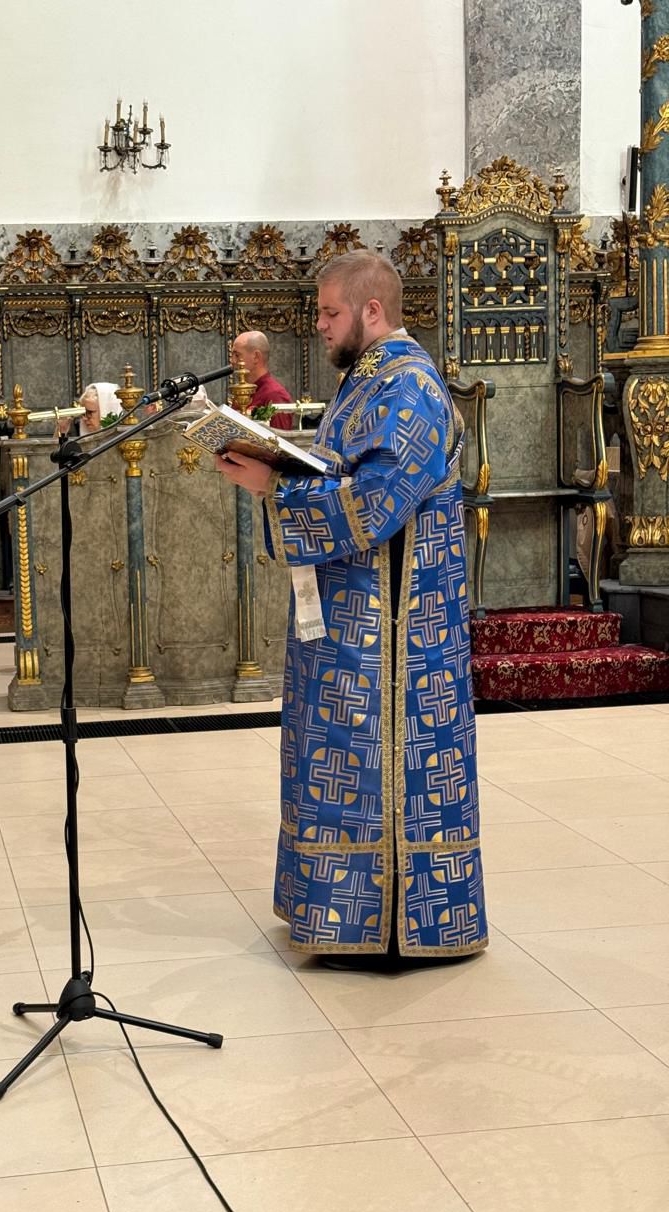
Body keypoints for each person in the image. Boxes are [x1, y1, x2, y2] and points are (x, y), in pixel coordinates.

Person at [215, 250, 488, 967]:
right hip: (352, 618)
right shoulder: (366, 380)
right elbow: (344, 473)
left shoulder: (411, 387)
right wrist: (282, 463)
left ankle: (389, 927)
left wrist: (274, 488)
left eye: (329, 312)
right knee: (331, 760)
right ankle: (338, 914)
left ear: (372, 310)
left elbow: (374, 503)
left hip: (394, 638)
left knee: (374, 766)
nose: (320, 324)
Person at [230, 330, 295, 431]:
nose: (232, 361)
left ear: (256, 357)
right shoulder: (243, 391)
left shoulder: (275, 395)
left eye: (237, 355)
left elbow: (279, 439)